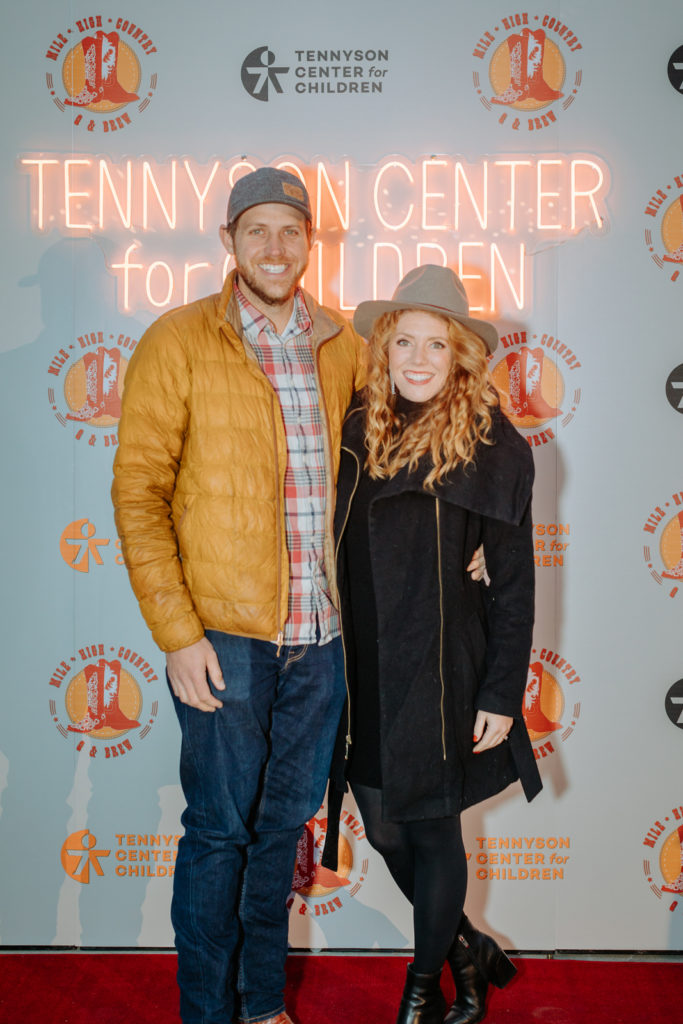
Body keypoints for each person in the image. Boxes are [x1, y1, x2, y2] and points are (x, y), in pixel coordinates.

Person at [111, 167, 367, 1024]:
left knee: (278, 833)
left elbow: (400, 459)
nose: (274, 247)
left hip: (320, 643)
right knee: (219, 832)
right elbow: (139, 493)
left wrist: (476, 540)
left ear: (310, 241)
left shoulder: (344, 345)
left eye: (290, 229)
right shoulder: (179, 340)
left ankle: (260, 1005)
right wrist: (178, 635)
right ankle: (206, 1013)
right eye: (256, 229)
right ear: (228, 241)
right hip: (223, 639)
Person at [323, 265, 542, 1024]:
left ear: (460, 355)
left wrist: (500, 694)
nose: (418, 360)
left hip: (443, 667)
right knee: (386, 828)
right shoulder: (353, 428)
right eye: (405, 342)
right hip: (363, 665)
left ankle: (422, 985)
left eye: (437, 345)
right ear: (383, 347)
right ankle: (466, 949)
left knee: (432, 826)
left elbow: (515, 585)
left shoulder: (491, 445)